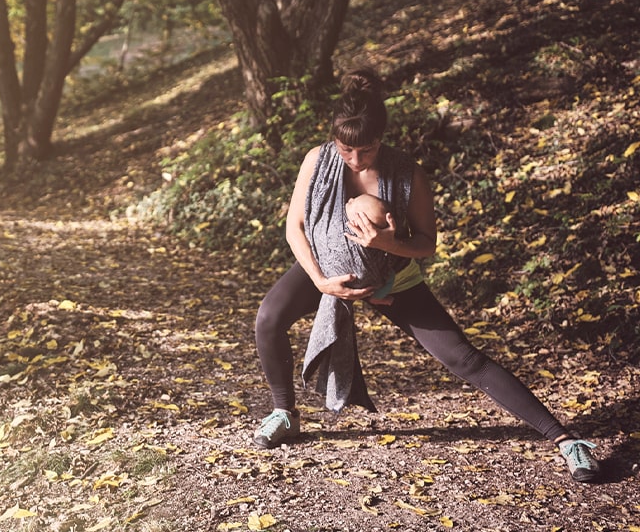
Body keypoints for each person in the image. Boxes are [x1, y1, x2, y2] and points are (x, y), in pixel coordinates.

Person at [251, 70, 601, 484]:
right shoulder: (317, 159)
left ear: (381, 138)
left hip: (393, 278)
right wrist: (321, 281)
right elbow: (295, 227)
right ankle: (284, 413)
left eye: (366, 149)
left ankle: (566, 440)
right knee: (269, 319)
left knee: (464, 358)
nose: (356, 160)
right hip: (324, 270)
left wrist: (385, 244)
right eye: (346, 149)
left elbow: (426, 244)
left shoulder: (408, 174)